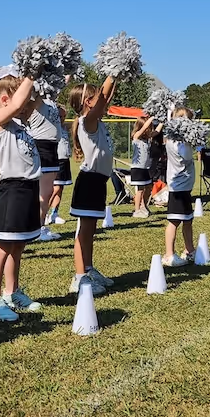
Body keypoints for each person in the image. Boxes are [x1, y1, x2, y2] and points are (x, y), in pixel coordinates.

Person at [0, 65, 42, 321]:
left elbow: (33, 101)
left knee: (18, 245)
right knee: (3, 247)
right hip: (13, 190)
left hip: (28, 189)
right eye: (22, 100)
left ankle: (11, 292)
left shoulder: (19, 125)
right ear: (6, 100)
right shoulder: (0, 121)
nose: (26, 105)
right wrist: (33, 72)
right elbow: (17, 104)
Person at [68, 77, 117, 296]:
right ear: (88, 102)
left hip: (98, 182)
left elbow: (106, 98)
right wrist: (112, 73)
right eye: (97, 98)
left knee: (91, 230)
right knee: (84, 232)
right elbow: (103, 99)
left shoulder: (96, 119)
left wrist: (119, 77)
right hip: (89, 182)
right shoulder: (87, 120)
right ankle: (79, 278)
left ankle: (88, 269)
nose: (103, 101)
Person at [162, 107, 197, 267]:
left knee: (188, 220)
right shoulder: (180, 144)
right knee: (174, 222)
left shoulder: (172, 139)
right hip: (179, 188)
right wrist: (191, 141)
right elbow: (188, 156)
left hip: (184, 188)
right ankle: (169, 254)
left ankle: (189, 250)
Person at [29, 98, 62, 242]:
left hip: (52, 147)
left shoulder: (51, 100)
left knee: (47, 192)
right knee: (45, 192)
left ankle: (39, 226)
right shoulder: (38, 99)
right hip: (41, 146)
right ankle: (37, 228)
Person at [130, 116, 163, 218]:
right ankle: (137, 210)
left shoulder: (148, 139)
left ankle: (144, 206)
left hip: (146, 168)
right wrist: (152, 117)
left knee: (148, 187)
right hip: (138, 168)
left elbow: (157, 131)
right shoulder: (136, 137)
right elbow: (143, 128)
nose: (150, 130)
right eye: (149, 127)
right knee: (140, 189)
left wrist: (163, 121)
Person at [46, 104, 72, 226]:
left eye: (64, 116)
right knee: (55, 188)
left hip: (65, 160)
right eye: (60, 116)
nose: (62, 118)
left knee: (60, 188)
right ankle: (44, 213)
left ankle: (54, 213)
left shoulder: (64, 128)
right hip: (56, 161)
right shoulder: (51, 127)